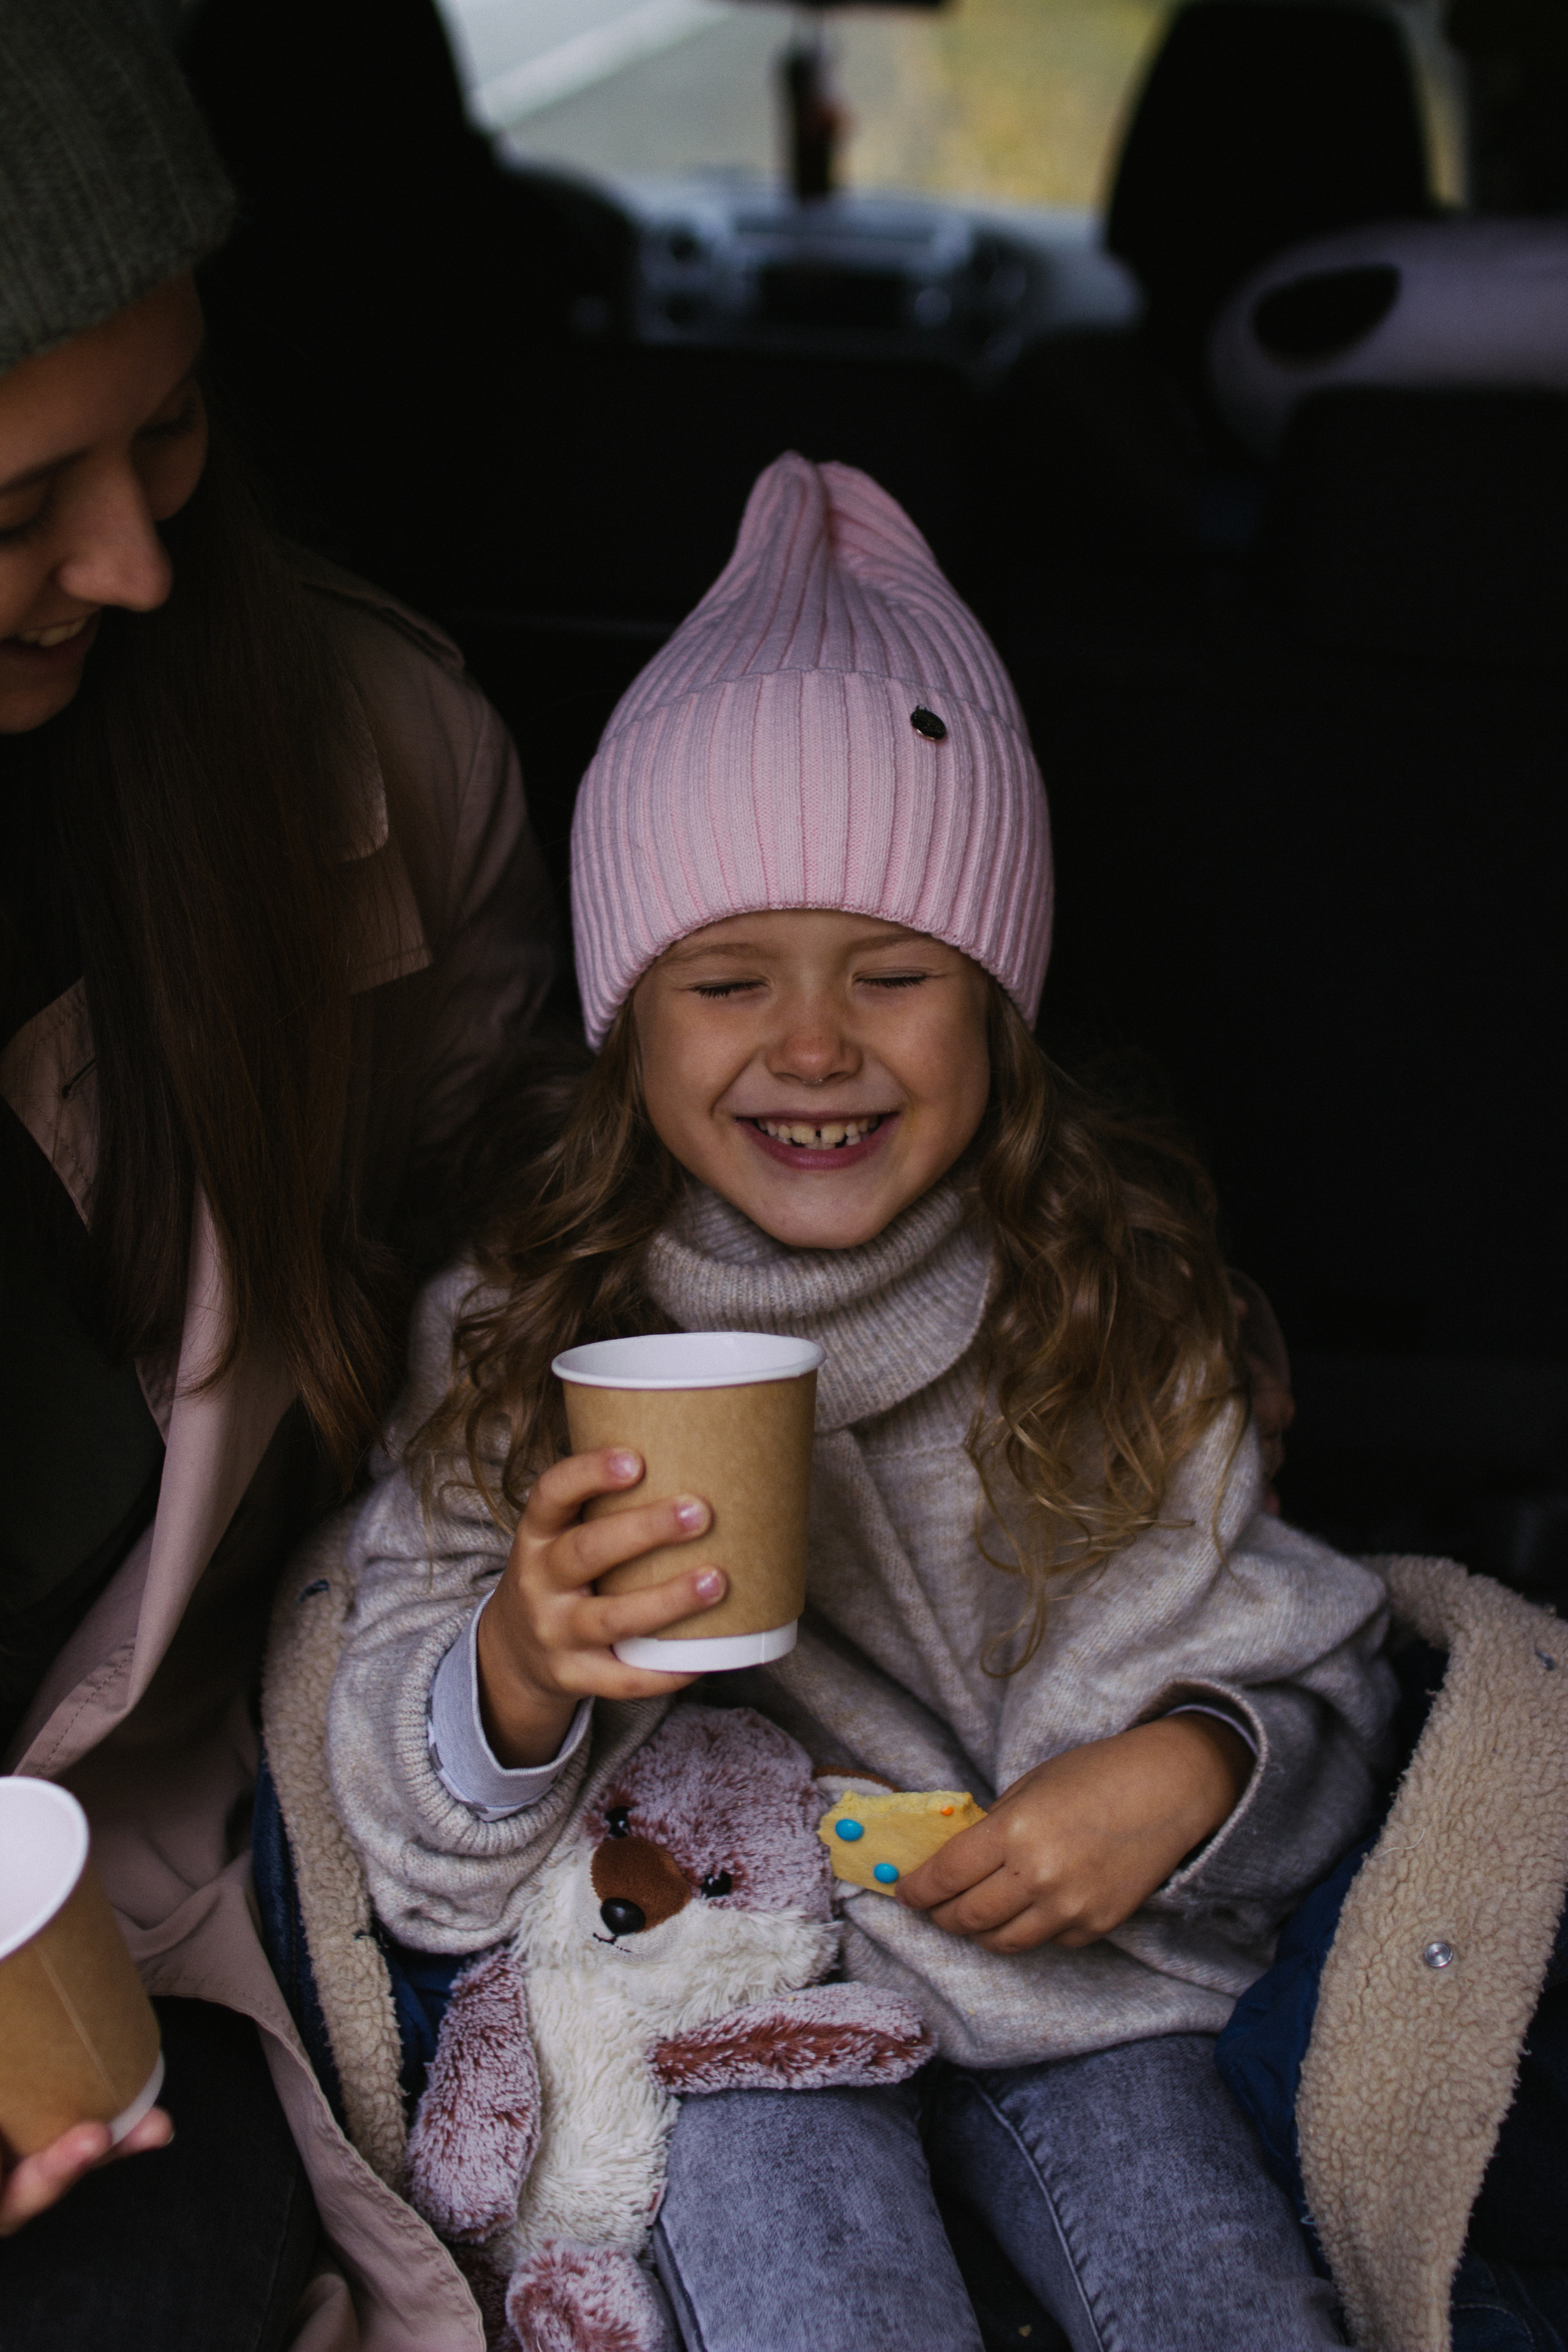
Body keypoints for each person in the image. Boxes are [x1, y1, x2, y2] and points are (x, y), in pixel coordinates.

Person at [305, 452, 1394, 2350]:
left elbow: (1316, 1672)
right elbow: (391, 1806)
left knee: (1233, 2304)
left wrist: (1196, 1770)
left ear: (998, 1006)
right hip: (735, 1993)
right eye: (724, 982)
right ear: (623, 1021)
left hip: (1089, 1994)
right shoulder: (523, 1325)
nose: (813, 1048)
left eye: (893, 975)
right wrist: (521, 1664)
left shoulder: (1119, 1299)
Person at [0, 4, 554, 2345]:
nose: (134, 559)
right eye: (21, 502)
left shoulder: (369, 770)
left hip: (155, 1896)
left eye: (177, 426)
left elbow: (520, 1298)